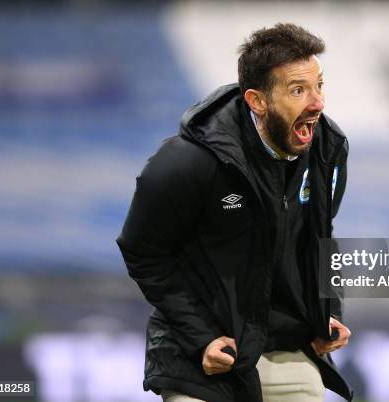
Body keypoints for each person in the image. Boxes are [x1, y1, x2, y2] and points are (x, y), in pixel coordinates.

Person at [117, 23, 352, 402]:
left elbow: (321, 237)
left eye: (318, 85)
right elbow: (143, 252)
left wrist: (328, 310)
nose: (317, 103)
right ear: (257, 101)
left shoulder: (328, 147)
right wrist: (200, 339)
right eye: (298, 90)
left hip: (288, 349)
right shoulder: (185, 162)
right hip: (208, 360)